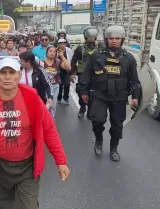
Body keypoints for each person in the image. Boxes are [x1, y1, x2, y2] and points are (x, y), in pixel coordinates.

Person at [0, 57, 70, 209]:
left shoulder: (32, 98)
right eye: (3, 73)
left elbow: (49, 130)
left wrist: (61, 162)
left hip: (27, 166)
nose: (7, 77)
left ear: (19, 76)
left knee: (28, 206)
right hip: (0, 167)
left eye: (11, 72)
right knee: (5, 205)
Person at [80, 25, 141, 162]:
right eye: (111, 38)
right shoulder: (97, 55)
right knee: (97, 121)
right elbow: (87, 74)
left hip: (119, 97)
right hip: (99, 95)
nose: (114, 41)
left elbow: (135, 80)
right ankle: (99, 140)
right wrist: (83, 91)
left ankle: (114, 148)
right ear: (106, 39)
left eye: (117, 38)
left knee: (117, 125)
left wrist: (135, 97)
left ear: (122, 39)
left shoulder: (128, 58)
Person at [72, 26, 100, 119]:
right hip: (83, 74)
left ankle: (90, 110)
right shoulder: (80, 48)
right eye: (89, 37)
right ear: (85, 37)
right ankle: (82, 108)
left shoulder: (101, 47)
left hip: (96, 74)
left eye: (93, 37)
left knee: (94, 93)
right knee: (81, 91)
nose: (91, 39)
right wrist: (72, 73)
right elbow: (74, 60)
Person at [40, 46, 71, 118]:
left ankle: (51, 119)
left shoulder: (57, 61)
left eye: (54, 51)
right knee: (44, 103)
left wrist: (62, 57)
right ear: (46, 52)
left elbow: (68, 67)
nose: (52, 53)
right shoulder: (41, 62)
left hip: (55, 86)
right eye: (50, 51)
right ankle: (44, 119)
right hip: (44, 86)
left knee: (53, 104)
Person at [57, 39, 73, 105]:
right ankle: (59, 98)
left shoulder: (68, 50)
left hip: (66, 70)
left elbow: (71, 60)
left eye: (63, 43)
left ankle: (66, 97)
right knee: (59, 85)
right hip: (58, 71)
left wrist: (72, 72)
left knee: (67, 84)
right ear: (58, 44)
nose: (62, 45)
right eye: (60, 44)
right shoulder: (56, 50)